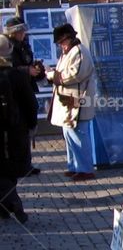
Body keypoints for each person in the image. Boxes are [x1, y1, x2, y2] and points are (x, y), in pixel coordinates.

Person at [47, 24, 96, 181]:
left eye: (62, 42)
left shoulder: (80, 52)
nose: (61, 45)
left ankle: (85, 169)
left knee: (79, 135)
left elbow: (75, 75)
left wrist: (53, 75)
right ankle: (74, 166)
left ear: (69, 38)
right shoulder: (67, 53)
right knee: (69, 135)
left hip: (78, 101)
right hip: (69, 102)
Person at [0, 38, 38, 223]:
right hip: (16, 130)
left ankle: (7, 206)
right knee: (10, 168)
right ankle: (12, 203)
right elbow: (31, 104)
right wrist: (31, 125)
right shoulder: (17, 75)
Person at [1, 17, 45, 175]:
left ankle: (25, 164)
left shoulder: (23, 45)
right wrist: (26, 71)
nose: (23, 34)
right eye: (20, 31)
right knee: (16, 132)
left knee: (23, 132)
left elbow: (26, 62)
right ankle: (18, 165)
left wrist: (36, 70)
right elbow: (8, 69)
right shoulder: (6, 45)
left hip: (24, 88)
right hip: (12, 93)